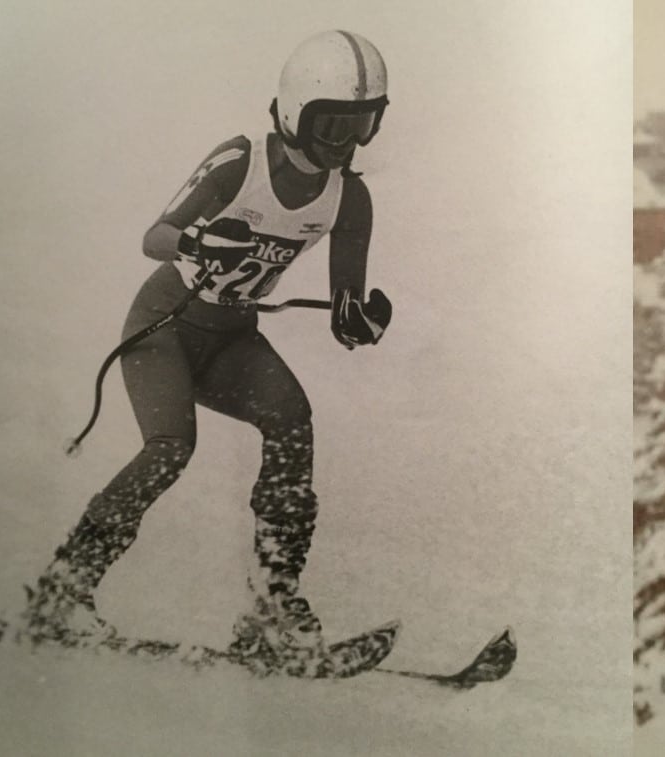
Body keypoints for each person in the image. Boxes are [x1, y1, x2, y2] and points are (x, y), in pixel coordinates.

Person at [21, 30, 395, 664]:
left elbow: (345, 299)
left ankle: (272, 604)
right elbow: (154, 236)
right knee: (171, 447)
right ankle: (63, 589)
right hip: (165, 324)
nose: (341, 143)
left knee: (292, 421)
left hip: (231, 336)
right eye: (329, 123)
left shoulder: (349, 197)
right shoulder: (241, 161)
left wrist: (356, 321)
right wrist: (195, 244)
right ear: (291, 110)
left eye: (358, 126)